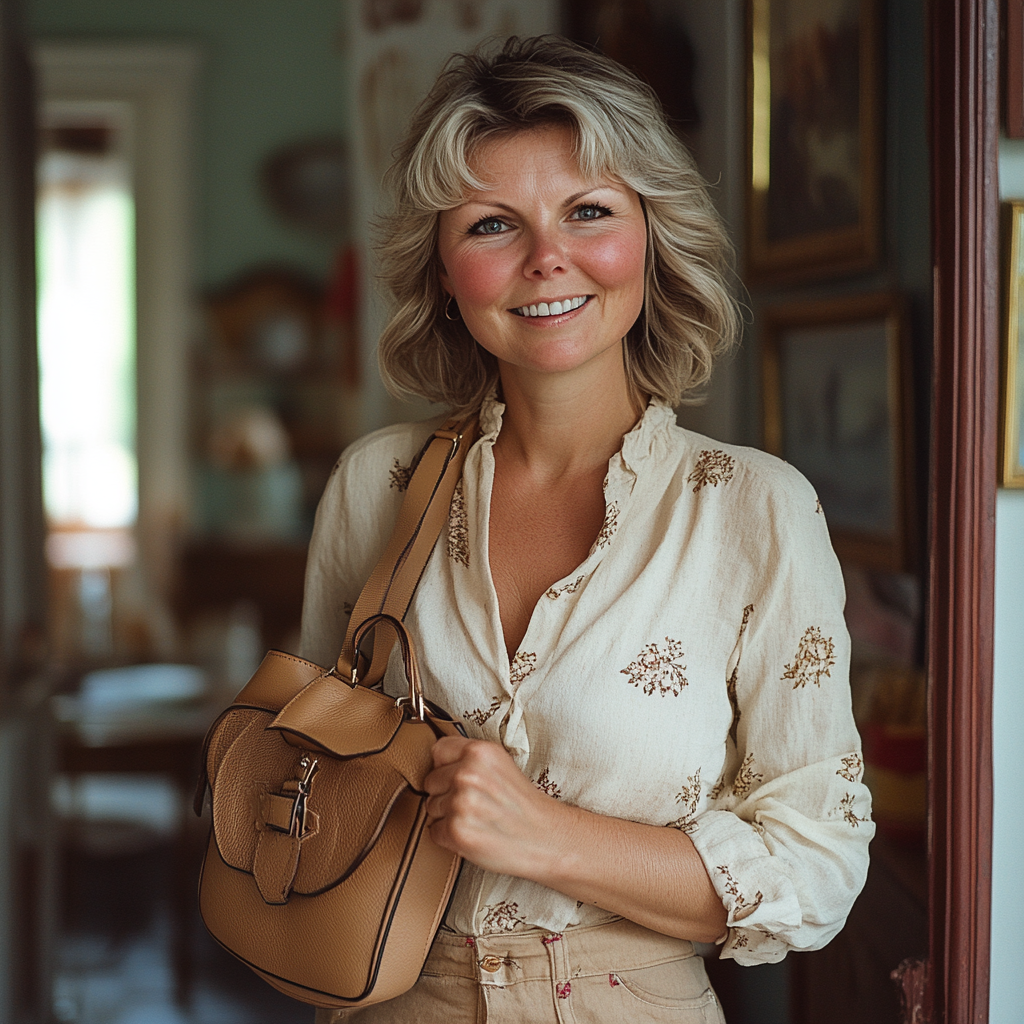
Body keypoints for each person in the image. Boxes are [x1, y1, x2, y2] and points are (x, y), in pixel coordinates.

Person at [301, 36, 872, 1024]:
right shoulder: (375, 488)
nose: (545, 257)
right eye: (491, 223)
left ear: (647, 238)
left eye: (588, 212)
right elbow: (301, 778)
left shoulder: (755, 512)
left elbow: (816, 866)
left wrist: (542, 836)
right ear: (442, 269)